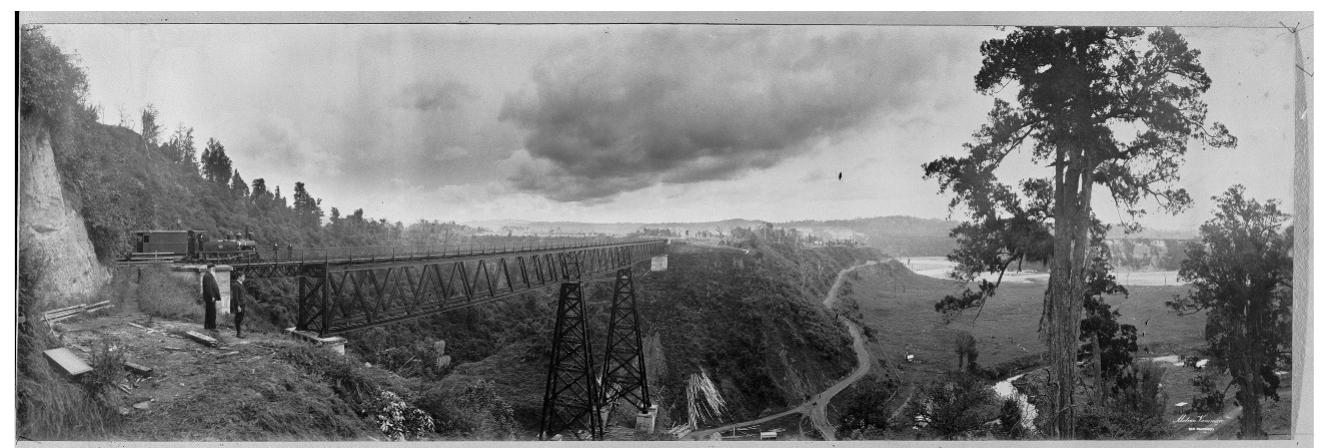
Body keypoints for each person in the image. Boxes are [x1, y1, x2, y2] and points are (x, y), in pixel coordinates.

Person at [201, 264, 221, 330]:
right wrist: (212, 296)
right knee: (212, 312)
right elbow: (208, 287)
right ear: (210, 269)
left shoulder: (208, 275)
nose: (214, 270)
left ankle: (207, 326)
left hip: (209, 297)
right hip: (210, 297)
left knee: (209, 312)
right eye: (213, 269)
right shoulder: (208, 276)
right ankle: (212, 327)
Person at [230, 272, 248, 338]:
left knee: (241, 317)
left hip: (243, 303)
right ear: (239, 277)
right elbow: (235, 297)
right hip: (239, 305)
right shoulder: (236, 285)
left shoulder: (241, 284)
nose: (244, 278)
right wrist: (238, 306)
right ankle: (238, 333)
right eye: (243, 277)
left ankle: (240, 332)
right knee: (238, 318)